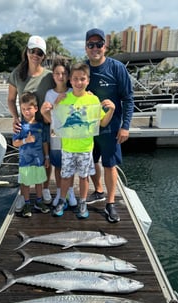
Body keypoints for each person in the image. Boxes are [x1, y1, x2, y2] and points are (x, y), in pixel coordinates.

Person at [52, 62, 115, 219]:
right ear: (70, 80)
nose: (79, 82)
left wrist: (112, 110)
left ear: (88, 80)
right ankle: (62, 200)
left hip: (86, 148)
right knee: (66, 177)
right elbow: (57, 121)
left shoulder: (93, 101)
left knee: (84, 177)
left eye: (82, 79)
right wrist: (55, 104)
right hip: (67, 147)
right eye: (75, 79)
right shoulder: (64, 99)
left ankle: (83, 202)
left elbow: (103, 123)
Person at [85, 28, 134, 223]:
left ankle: (111, 202)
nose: (95, 48)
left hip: (111, 127)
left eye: (99, 44)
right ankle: (98, 190)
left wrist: (126, 126)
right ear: (86, 47)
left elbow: (128, 98)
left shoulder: (117, 68)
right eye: (91, 44)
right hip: (87, 128)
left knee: (110, 164)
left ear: (105, 47)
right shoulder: (82, 69)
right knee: (90, 161)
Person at [8, 35, 55, 207]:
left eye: (39, 52)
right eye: (32, 51)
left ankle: (44, 188)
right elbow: (11, 99)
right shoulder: (16, 74)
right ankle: (24, 194)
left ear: (43, 56)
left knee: (45, 157)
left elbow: (62, 91)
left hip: (46, 124)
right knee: (25, 160)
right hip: (26, 126)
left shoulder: (49, 76)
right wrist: (14, 117)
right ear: (26, 52)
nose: (35, 54)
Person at [40, 58, 77, 208]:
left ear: (68, 76)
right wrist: (56, 104)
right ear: (53, 75)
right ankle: (60, 192)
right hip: (55, 135)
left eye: (63, 73)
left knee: (70, 165)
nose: (60, 76)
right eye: (57, 73)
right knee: (58, 165)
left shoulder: (72, 91)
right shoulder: (49, 94)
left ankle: (70, 191)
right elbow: (49, 119)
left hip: (70, 136)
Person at [12, 92, 50, 217]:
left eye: (29, 108)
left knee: (39, 182)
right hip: (25, 161)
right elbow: (15, 143)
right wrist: (25, 141)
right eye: (23, 109)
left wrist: (47, 157)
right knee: (26, 183)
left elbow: (44, 142)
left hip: (39, 160)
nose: (26, 112)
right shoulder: (19, 126)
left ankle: (39, 202)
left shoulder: (41, 125)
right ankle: (27, 203)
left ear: (36, 109)